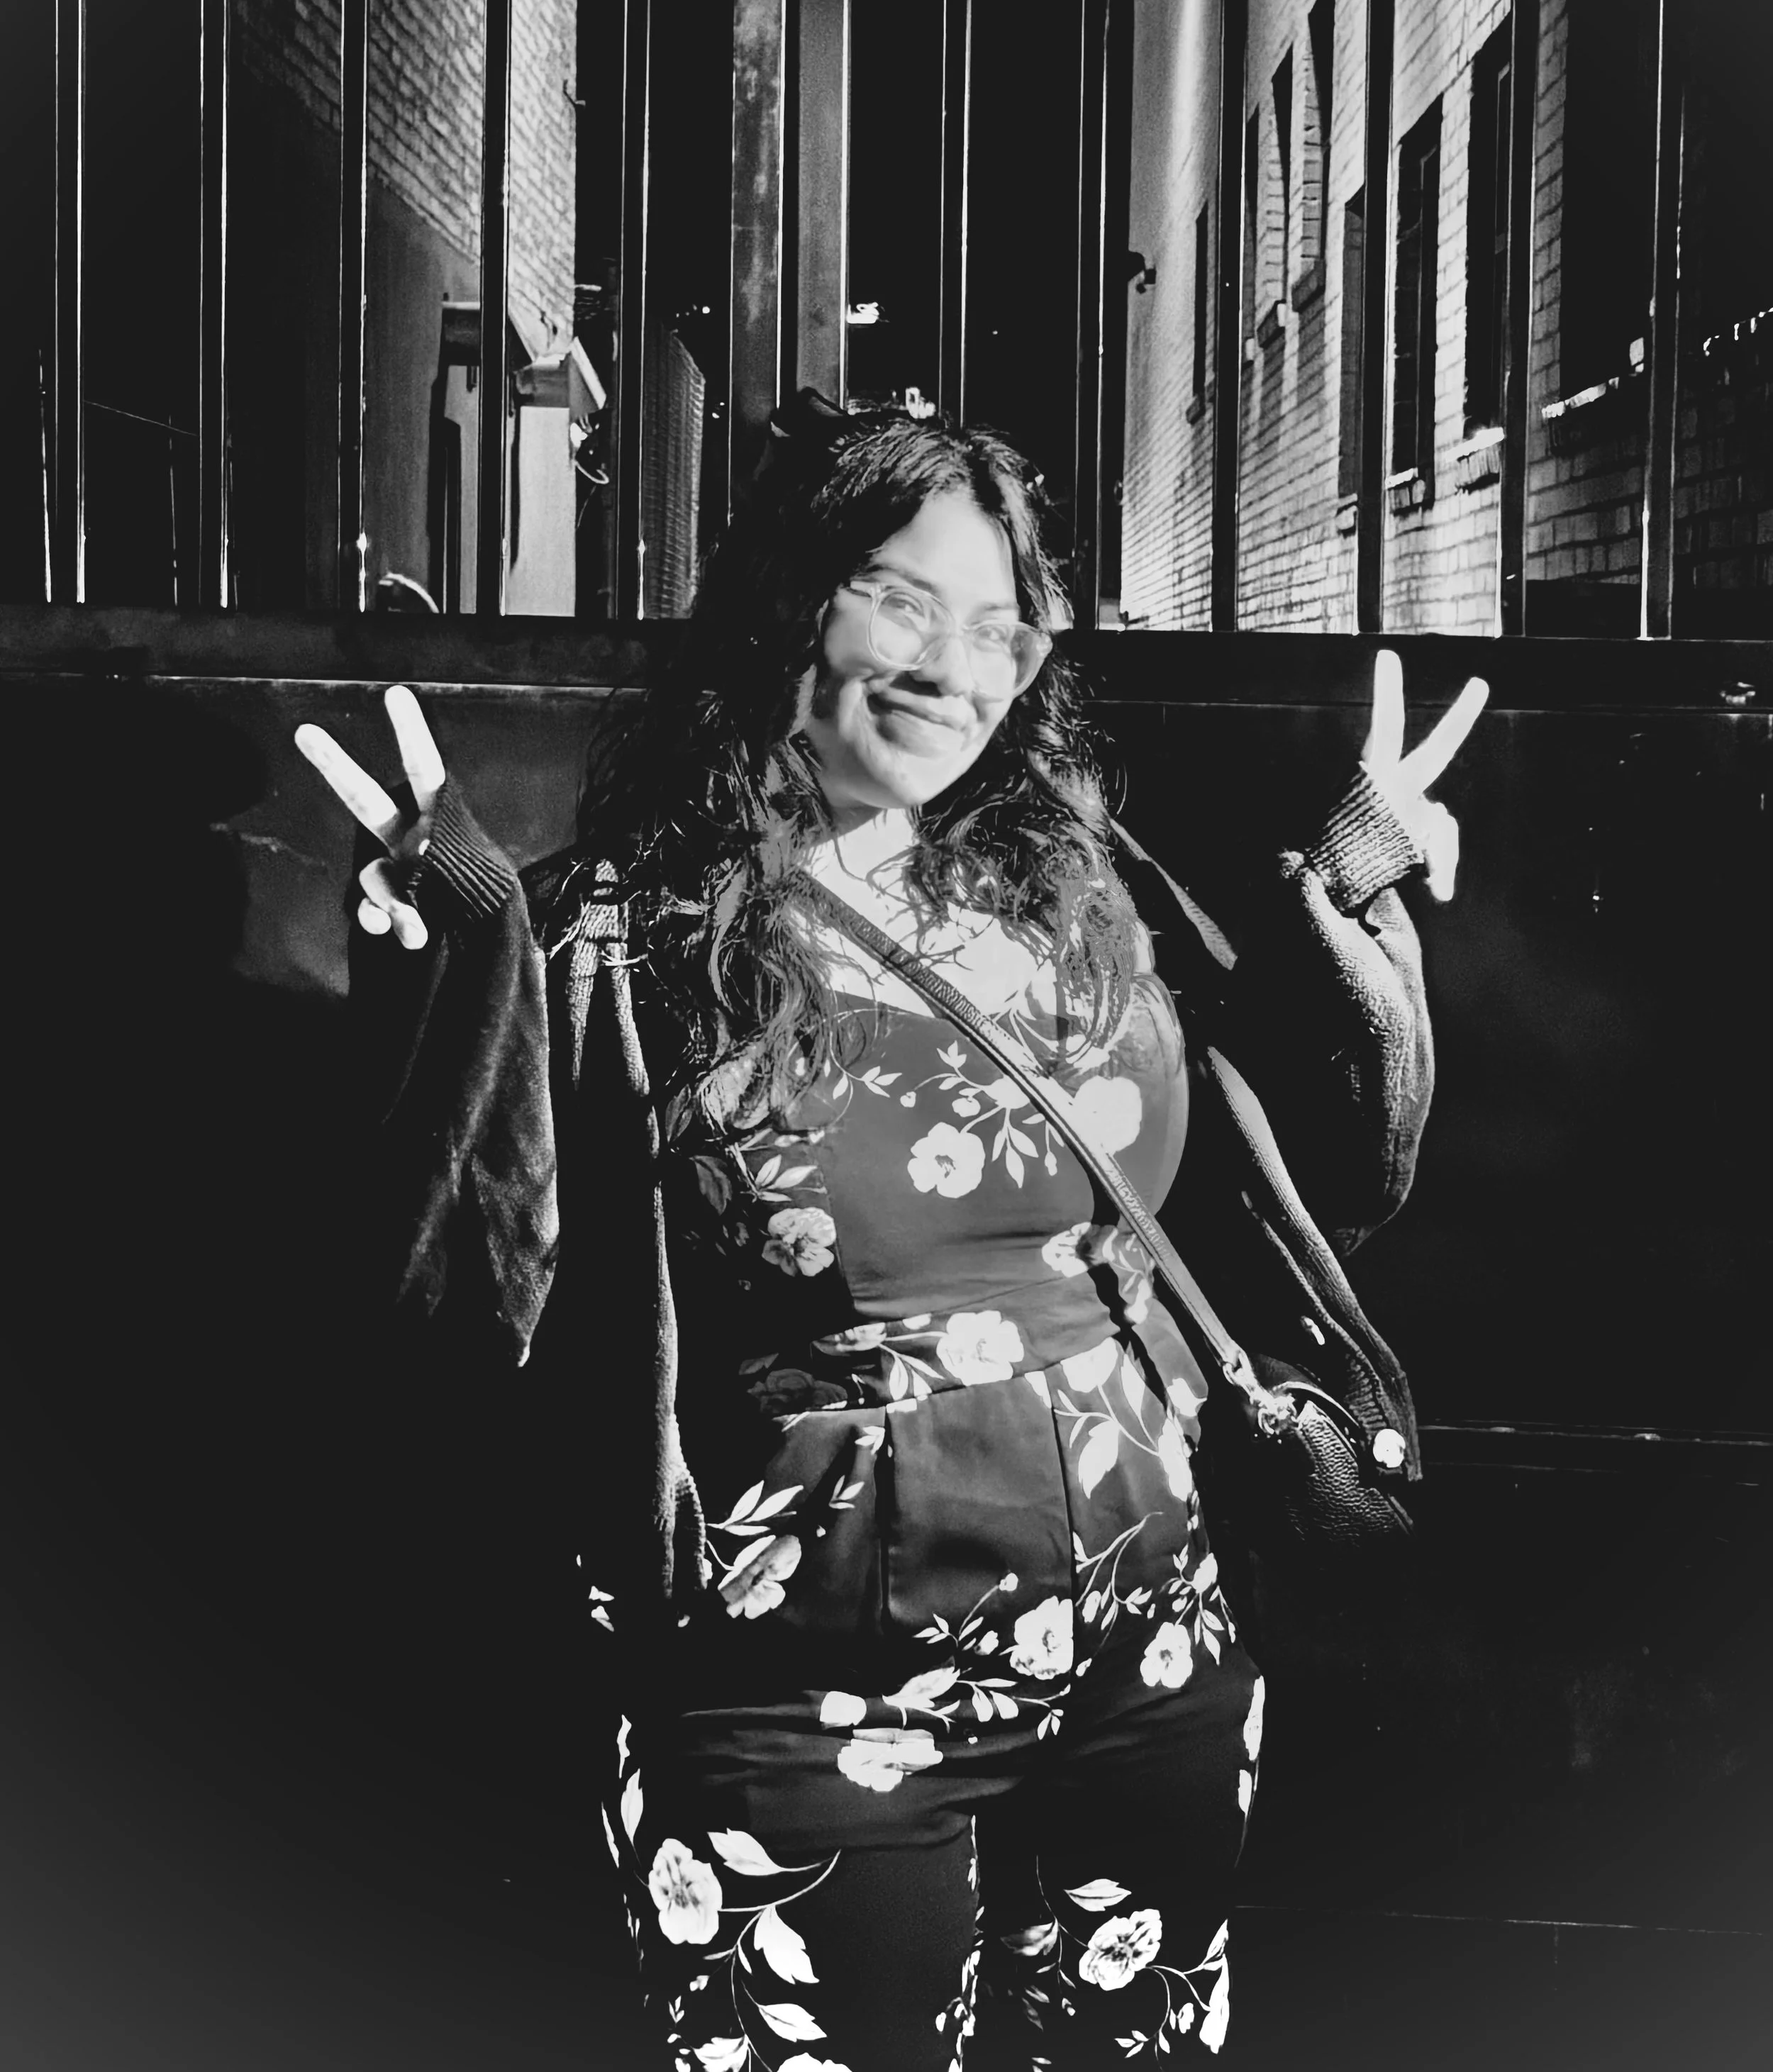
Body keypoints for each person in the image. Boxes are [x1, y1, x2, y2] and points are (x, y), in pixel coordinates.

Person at [296, 397, 1486, 2071]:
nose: (954, 665)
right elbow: (459, 1288)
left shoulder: (1085, 888)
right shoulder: (620, 935)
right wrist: (465, 963)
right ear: (792, 597)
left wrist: (1346, 890)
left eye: (999, 623)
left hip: (1153, 1645)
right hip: (795, 1690)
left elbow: (1305, 1170)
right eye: (900, 599)